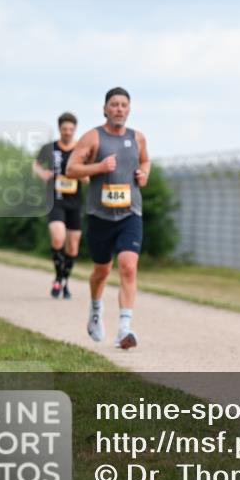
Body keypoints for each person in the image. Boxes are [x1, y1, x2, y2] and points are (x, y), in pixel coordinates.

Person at [66, 88, 150, 350]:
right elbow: (71, 169)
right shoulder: (93, 137)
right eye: (114, 104)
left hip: (130, 213)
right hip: (100, 215)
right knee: (101, 271)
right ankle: (95, 310)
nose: (119, 109)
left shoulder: (138, 138)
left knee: (128, 266)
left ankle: (124, 329)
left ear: (129, 109)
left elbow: (146, 162)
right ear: (105, 109)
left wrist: (144, 175)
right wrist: (99, 168)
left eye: (124, 105)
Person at [33, 113, 86, 299]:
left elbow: (88, 176)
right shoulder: (50, 148)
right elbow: (36, 165)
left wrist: (81, 175)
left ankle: (64, 281)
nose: (67, 132)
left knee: (72, 247)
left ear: (75, 130)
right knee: (57, 238)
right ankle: (57, 278)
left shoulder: (81, 149)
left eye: (71, 129)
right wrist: (43, 174)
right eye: (64, 129)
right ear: (59, 129)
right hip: (55, 201)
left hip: (75, 203)